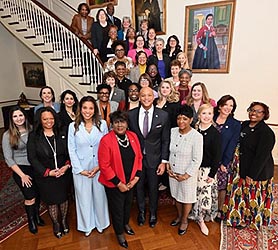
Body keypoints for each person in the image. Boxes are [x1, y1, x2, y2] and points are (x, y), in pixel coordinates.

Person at [222, 102, 275, 231]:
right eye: (252, 110)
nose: (254, 113)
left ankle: (252, 220)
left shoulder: (266, 133)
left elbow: (261, 157)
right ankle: (237, 217)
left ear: (264, 115)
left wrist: (252, 175)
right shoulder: (244, 125)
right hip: (240, 167)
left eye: (258, 111)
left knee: (253, 197)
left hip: (257, 171)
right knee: (239, 194)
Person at [98, 111, 142, 248]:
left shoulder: (133, 136)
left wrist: (136, 178)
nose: (120, 125)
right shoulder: (106, 140)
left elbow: (139, 157)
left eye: (122, 122)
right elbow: (104, 166)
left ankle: (125, 223)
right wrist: (119, 183)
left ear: (127, 123)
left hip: (130, 181)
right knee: (117, 209)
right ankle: (119, 233)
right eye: (116, 122)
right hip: (114, 183)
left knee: (128, 205)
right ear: (112, 124)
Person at [128, 87, 170, 228]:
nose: (146, 98)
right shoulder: (131, 115)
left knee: (153, 188)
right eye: (143, 95)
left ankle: (153, 213)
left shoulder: (163, 115)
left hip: (155, 159)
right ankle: (141, 212)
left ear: (154, 97)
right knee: (138, 187)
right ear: (139, 97)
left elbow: (165, 140)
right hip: (136, 160)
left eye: (149, 95)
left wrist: (163, 162)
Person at [67, 96, 110, 236]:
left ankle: (101, 223)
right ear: (80, 109)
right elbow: (71, 149)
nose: (88, 111)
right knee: (84, 198)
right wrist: (81, 170)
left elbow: (106, 147)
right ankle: (87, 225)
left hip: (99, 167)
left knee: (100, 197)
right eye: (85, 108)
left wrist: (99, 167)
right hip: (81, 169)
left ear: (95, 109)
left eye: (91, 108)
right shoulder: (72, 126)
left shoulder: (102, 124)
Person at [27, 107, 71, 238]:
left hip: (63, 174)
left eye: (51, 118)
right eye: (45, 119)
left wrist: (67, 166)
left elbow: (70, 151)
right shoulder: (34, 136)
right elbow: (32, 158)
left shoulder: (62, 132)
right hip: (46, 176)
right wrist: (48, 172)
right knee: (52, 202)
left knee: (63, 199)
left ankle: (63, 221)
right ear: (40, 120)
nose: (49, 121)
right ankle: (56, 223)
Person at [2, 106, 45, 235]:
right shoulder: (7, 135)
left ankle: (37, 216)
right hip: (20, 169)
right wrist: (22, 175)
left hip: (35, 166)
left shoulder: (32, 129)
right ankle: (31, 220)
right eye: (15, 116)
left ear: (25, 116)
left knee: (37, 193)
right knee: (30, 196)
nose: (18, 118)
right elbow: (8, 159)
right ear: (11, 119)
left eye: (20, 115)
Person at [167, 104, 203, 235]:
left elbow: (197, 159)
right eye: (179, 118)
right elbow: (168, 151)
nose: (181, 121)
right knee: (176, 195)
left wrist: (186, 175)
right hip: (173, 172)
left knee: (187, 198)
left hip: (187, 174)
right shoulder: (172, 131)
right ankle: (179, 215)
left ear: (191, 120)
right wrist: (168, 166)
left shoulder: (197, 136)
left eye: (185, 119)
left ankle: (184, 220)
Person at [190, 104, 221, 235]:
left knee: (203, 196)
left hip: (206, 170)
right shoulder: (194, 130)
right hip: (193, 168)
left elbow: (217, 155)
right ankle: (193, 214)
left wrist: (212, 173)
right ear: (199, 115)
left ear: (213, 115)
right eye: (204, 113)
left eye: (209, 114)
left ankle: (201, 220)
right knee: (193, 194)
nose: (206, 116)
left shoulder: (215, 133)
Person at [213, 95, 241, 221]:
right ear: (220, 106)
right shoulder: (211, 117)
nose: (228, 108)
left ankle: (219, 210)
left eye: (231, 106)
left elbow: (232, 144)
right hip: (207, 158)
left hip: (222, 160)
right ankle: (207, 209)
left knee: (221, 186)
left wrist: (224, 162)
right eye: (226, 104)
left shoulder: (235, 124)